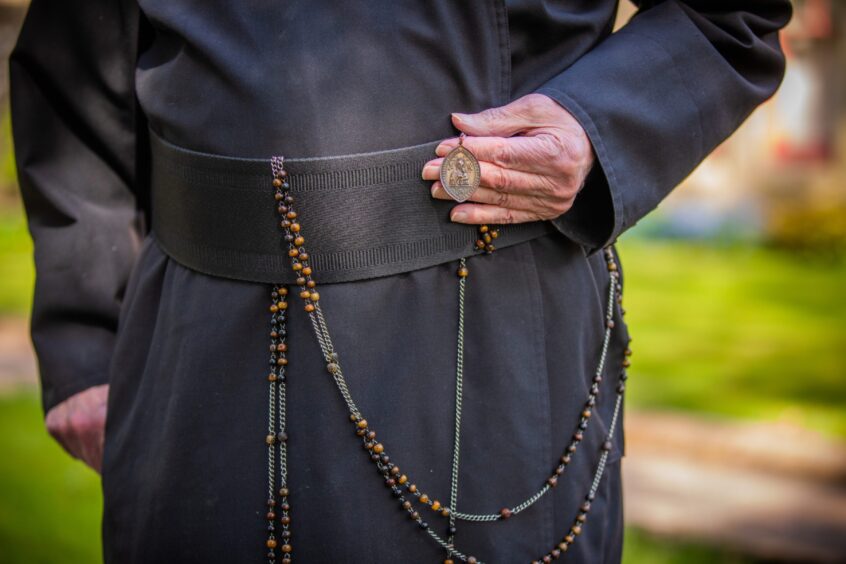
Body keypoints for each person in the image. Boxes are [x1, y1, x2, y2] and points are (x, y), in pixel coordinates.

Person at [9, 1, 790, 562]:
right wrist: (87, 335)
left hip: (498, 366)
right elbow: (74, 62)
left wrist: (596, 125)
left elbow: (728, 16)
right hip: (203, 366)